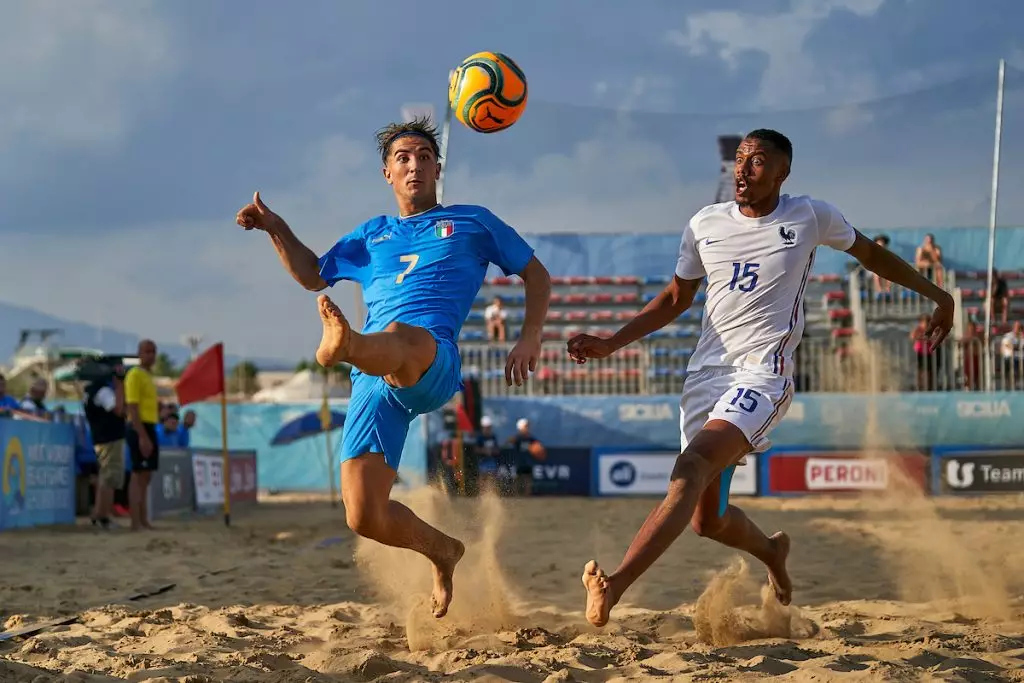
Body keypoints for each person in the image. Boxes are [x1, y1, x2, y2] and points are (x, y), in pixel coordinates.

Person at [567, 129, 954, 628]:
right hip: (704, 378)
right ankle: (772, 551)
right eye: (741, 160)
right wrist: (610, 342)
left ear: (781, 173)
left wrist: (939, 296)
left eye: (757, 161)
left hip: (763, 375)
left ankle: (614, 584)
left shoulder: (810, 215)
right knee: (707, 520)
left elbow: (871, 256)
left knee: (689, 470)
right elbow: (674, 299)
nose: (743, 170)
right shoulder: (705, 223)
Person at [234, 116, 551, 618]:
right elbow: (314, 275)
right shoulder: (372, 234)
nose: (415, 165)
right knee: (364, 515)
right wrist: (275, 227)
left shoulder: (473, 221)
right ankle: (443, 552)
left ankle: (344, 346)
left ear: (438, 169)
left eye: (425, 157)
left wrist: (529, 336)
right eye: (403, 157)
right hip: (373, 381)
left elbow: (537, 274)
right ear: (387, 172)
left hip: (431, 359)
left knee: (401, 335)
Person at [83, 363, 126, 529]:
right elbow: (118, 409)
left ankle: (99, 515)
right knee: (109, 479)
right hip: (110, 438)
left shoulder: (90, 391)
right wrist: (120, 384)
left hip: (101, 438)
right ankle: (103, 517)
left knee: (104, 478)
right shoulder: (103, 391)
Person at [125, 339, 160, 531]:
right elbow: (132, 406)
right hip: (139, 426)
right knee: (138, 475)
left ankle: (144, 519)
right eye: (147, 352)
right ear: (139, 354)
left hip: (151, 424)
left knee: (146, 476)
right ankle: (135, 521)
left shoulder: (149, 376)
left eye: (153, 352)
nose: (150, 355)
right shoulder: (135, 374)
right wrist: (142, 435)